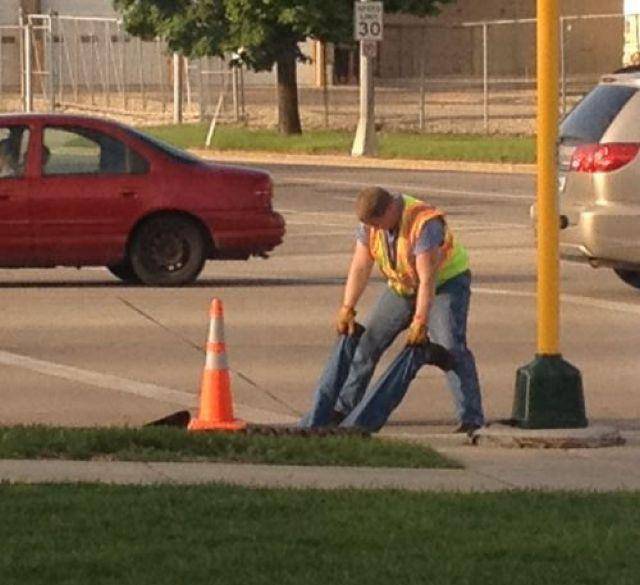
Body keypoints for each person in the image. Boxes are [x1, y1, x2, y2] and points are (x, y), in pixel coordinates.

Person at [301, 186, 485, 434]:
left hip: (445, 284)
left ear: (390, 209)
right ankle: (344, 409)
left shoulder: (424, 223)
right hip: (403, 286)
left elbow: (427, 279)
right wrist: (348, 307)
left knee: (451, 346)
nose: (375, 229)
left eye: (378, 223)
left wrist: (420, 321)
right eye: (370, 225)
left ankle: (471, 418)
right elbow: (360, 266)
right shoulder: (370, 225)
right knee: (368, 343)